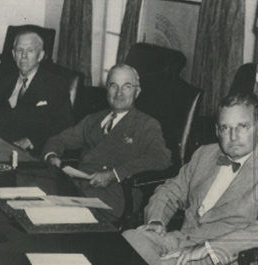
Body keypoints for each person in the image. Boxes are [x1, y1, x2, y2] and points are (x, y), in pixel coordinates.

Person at [123, 92, 258, 265]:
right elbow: (170, 190)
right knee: (129, 242)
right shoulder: (204, 154)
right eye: (225, 128)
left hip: (226, 263)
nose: (233, 137)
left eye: (242, 126)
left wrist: (209, 247)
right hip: (181, 242)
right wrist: (157, 220)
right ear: (217, 130)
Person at [42, 64, 170, 217]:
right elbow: (58, 140)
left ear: (137, 91)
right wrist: (52, 156)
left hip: (113, 196)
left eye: (127, 87)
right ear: (107, 89)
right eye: (113, 86)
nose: (119, 93)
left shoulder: (146, 124)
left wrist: (113, 174)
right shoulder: (93, 120)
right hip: (78, 189)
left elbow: (160, 158)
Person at [0, 28, 72, 151]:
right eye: (19, 50)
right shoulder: (3, 82)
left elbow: (64, 124)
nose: (23, 56)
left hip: (31, 152)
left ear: (40, 56)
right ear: (13, 54)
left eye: (30, 50)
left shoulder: (55, 84)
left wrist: (31, 140)